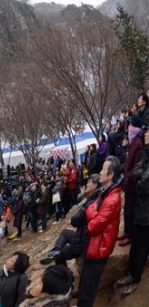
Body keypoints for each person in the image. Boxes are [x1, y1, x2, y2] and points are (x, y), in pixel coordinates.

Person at [77, 156, 122, 307]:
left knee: (88, 291)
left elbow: (93, 226)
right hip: (93, 245)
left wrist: (92, 215)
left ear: (110, 175)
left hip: (99, 249)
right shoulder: (105, 192)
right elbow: (91, 208)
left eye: (103, 170)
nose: (100, 172)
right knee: (84, 285)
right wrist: (94, 214)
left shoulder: (112, 199)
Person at [114, 126, 149, 297]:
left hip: (147, 213)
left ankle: (136, 278)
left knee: (142, 247)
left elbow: (143, 185)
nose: (146, 134)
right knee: (135, 245)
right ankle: (130, 272)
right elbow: (134, 173)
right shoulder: (146, 155)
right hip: (140, 210)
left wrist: (137, 177)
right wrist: (137, 176)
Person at [40, 174, 101, 267]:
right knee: (65, 232)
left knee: (60, 256)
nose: (86, 184)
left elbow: (76, 221)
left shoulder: (93, 202)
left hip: (83, 242)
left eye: (89, 182)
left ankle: (65, 276)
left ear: (95, 185)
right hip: (82, 235)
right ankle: (56, 250)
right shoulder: (94, 198)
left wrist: (75, 218)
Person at [118, 114, 144, 247]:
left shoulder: (138, 144)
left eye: (131, 125)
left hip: (132, 185)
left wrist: (128, 177)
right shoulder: (133, 141)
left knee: (130, 210)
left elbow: (137, 167)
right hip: (128, 184)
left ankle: (130, 235)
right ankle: (127, 232)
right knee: (127, 209)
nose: (129, 127)